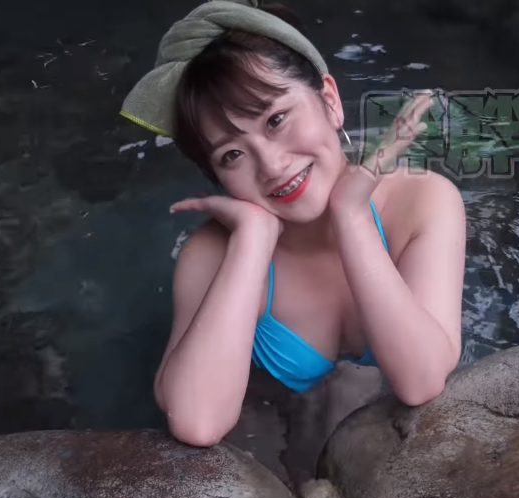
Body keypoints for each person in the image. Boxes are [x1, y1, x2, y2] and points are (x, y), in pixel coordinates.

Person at [120, 0, 467, 450]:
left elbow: (421, 381)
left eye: (276, 120)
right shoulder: (211, 253)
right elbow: (198, 422)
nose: (271, 165)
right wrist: (252, 239)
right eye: (231, 154)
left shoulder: (421, 202)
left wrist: (351, 214)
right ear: (217, 176)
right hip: (274, 426)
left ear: (330, 101)